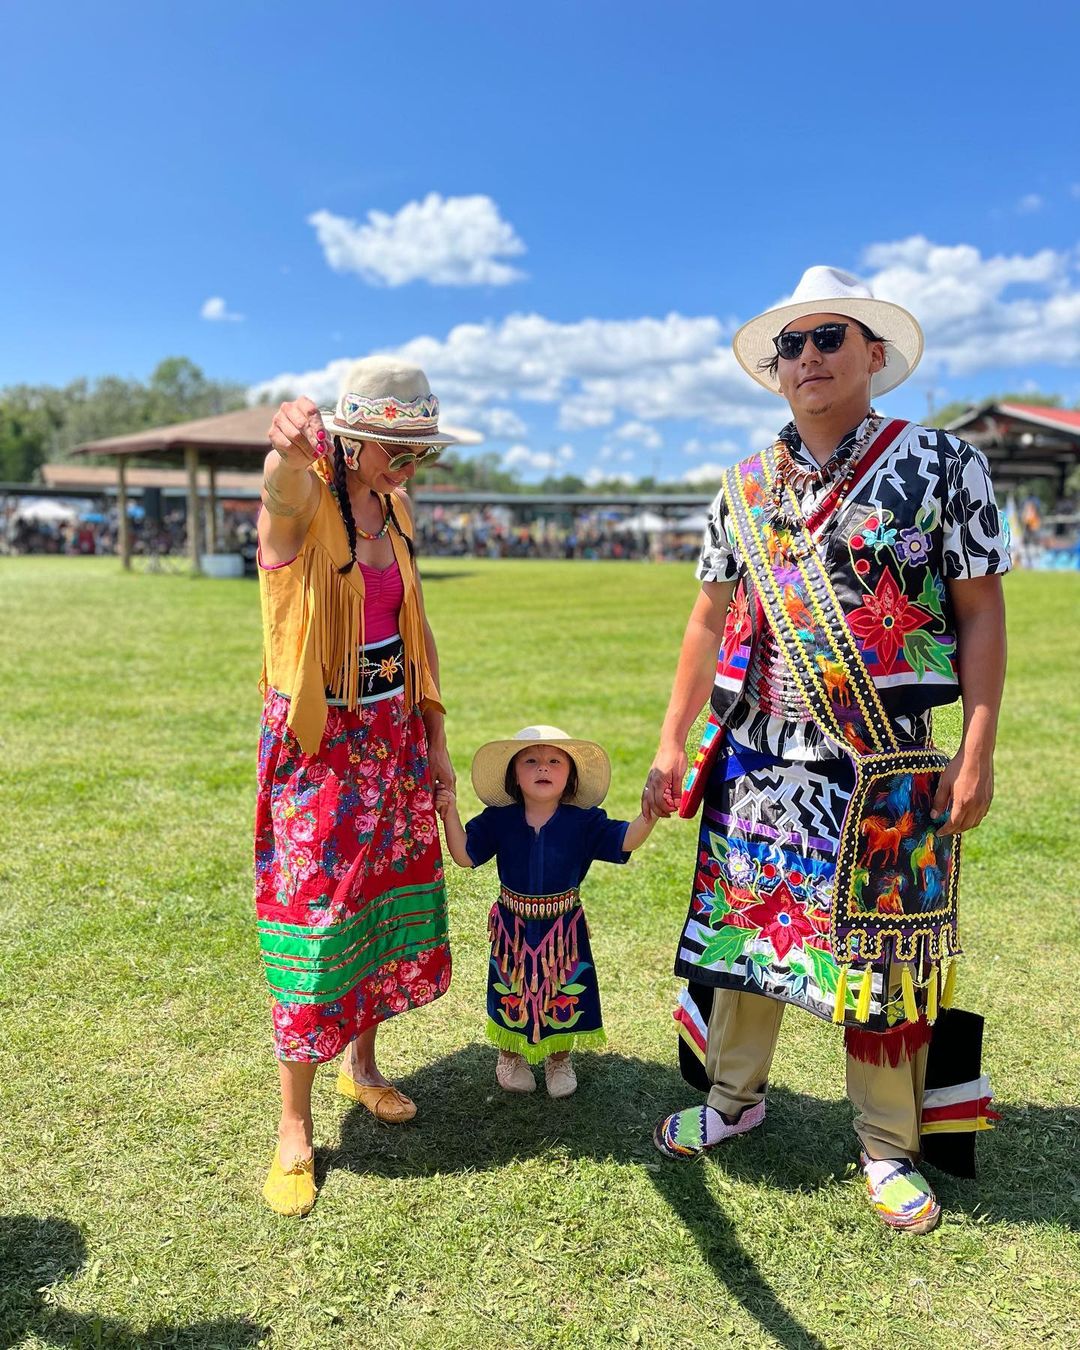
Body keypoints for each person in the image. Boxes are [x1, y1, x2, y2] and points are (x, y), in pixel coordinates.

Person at [645, 267, 1009, 1233]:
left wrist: (978, 747)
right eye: (790, 345)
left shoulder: (943, 465)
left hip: (885, 763)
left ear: (874, 353)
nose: (806, 357)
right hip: (756, 760)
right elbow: (707, 618)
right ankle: (733, 1099)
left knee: (886, 961)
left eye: (828, 337)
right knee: (745, 936)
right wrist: (672, 741)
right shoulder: (743, 485)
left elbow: (979, 610)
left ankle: (887, 1144)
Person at [256, 356, 457, 1216]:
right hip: (320, 743)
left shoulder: (396, 508)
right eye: (393, 450)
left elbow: (417, 629)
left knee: (376, 909)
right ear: (347, 438)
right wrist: (283, 450)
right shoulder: (308, 497)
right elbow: (279, 495)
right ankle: (293, 1126)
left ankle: (363, 1067)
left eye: (418, 452)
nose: (406, 466)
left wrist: (435, 736)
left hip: (391, 734)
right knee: (315, 920)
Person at [437, 726, 658, 1097]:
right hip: (512, 929)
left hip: (563, 931)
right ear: (514, 775)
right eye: (531, 761)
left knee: (563, 990)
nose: (543, 767)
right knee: (511, 990)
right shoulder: (499, 818)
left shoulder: (584, 821)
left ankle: (559, 1059)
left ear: (570, 775)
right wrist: (450, 812)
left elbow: (625, 839)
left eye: (555, 761)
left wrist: (649, 815)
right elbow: (464, 854)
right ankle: (510, 1057)